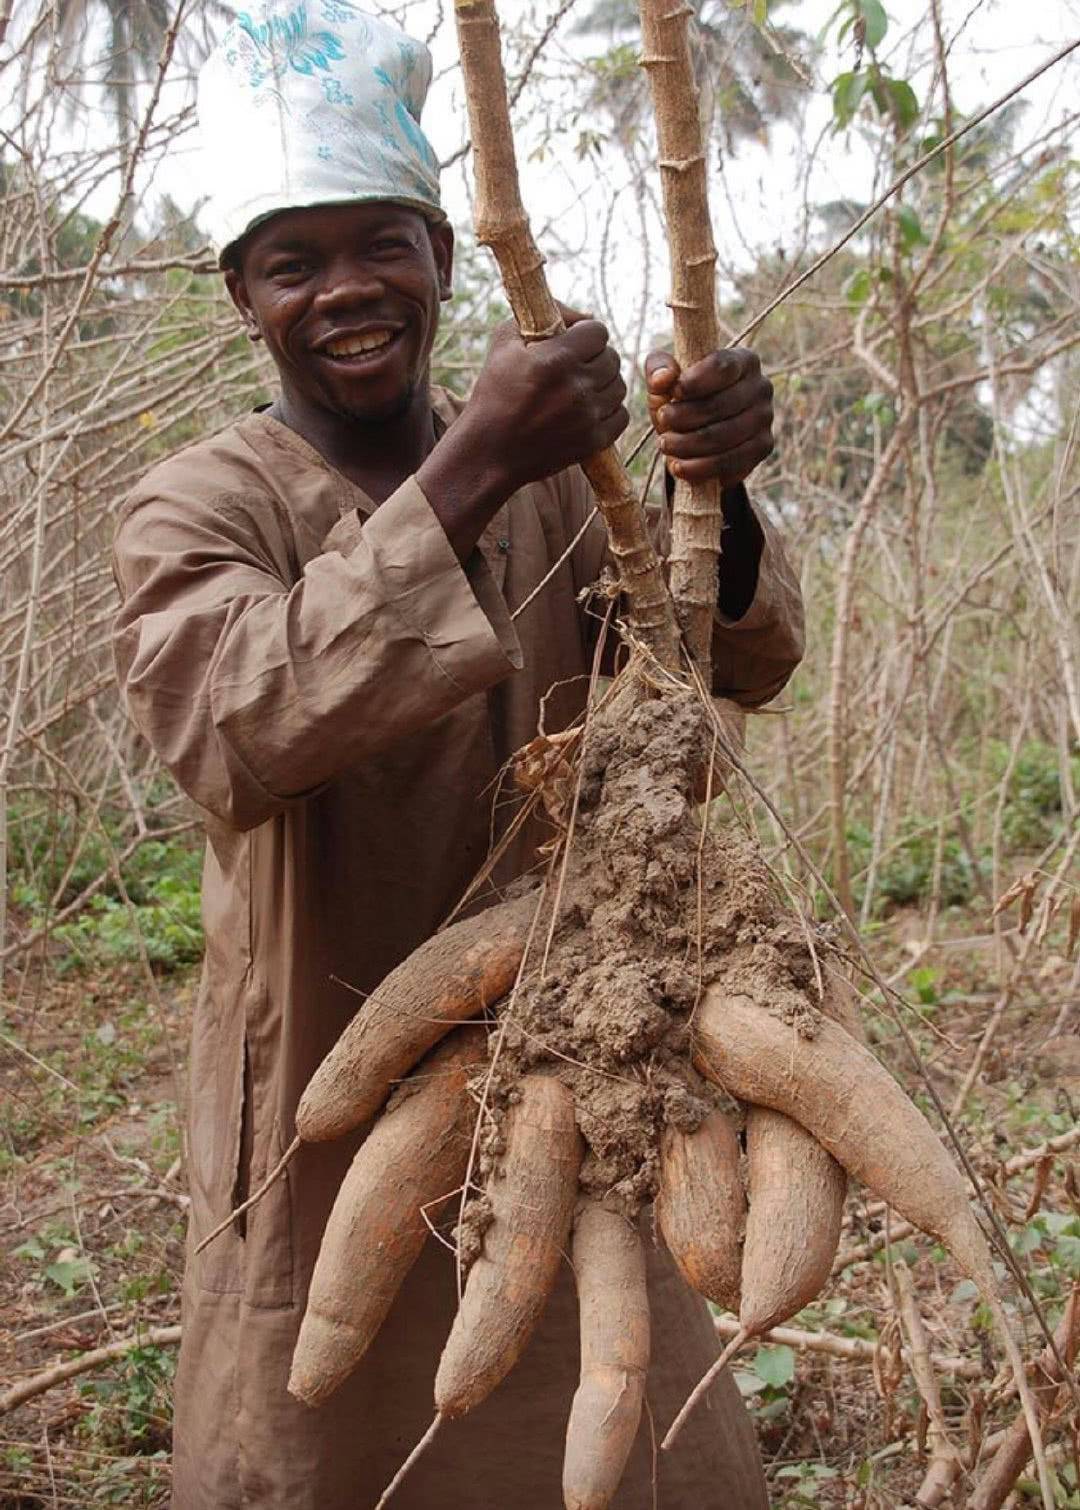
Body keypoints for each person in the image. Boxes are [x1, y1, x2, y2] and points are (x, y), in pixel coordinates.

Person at [112, 6, 804, 1506]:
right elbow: (234, 729)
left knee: (627, 1433)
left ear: (440, 251)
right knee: (323, 1435)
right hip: (325, 1072)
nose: (346, 291)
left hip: (574, 1052)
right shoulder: (198, 503)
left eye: (382, 246)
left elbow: (730, 666)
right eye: (296, 262)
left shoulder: (573, 475)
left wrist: (717, 494)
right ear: (243, 296)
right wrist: (478, 456)